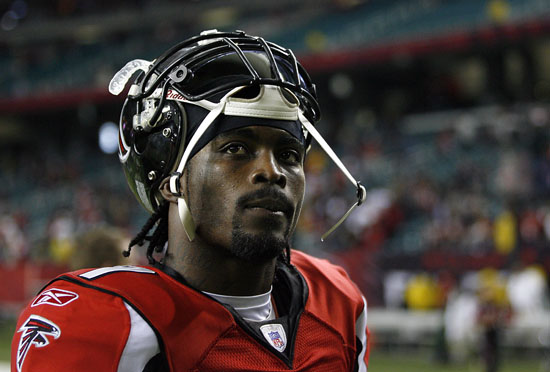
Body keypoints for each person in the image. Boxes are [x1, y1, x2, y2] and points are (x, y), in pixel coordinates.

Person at [12, 30, 370, 372]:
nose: (271, 171)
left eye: (289, 154)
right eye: (236, 149)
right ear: (171, 177)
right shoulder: (105, 324)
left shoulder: (336, 301)